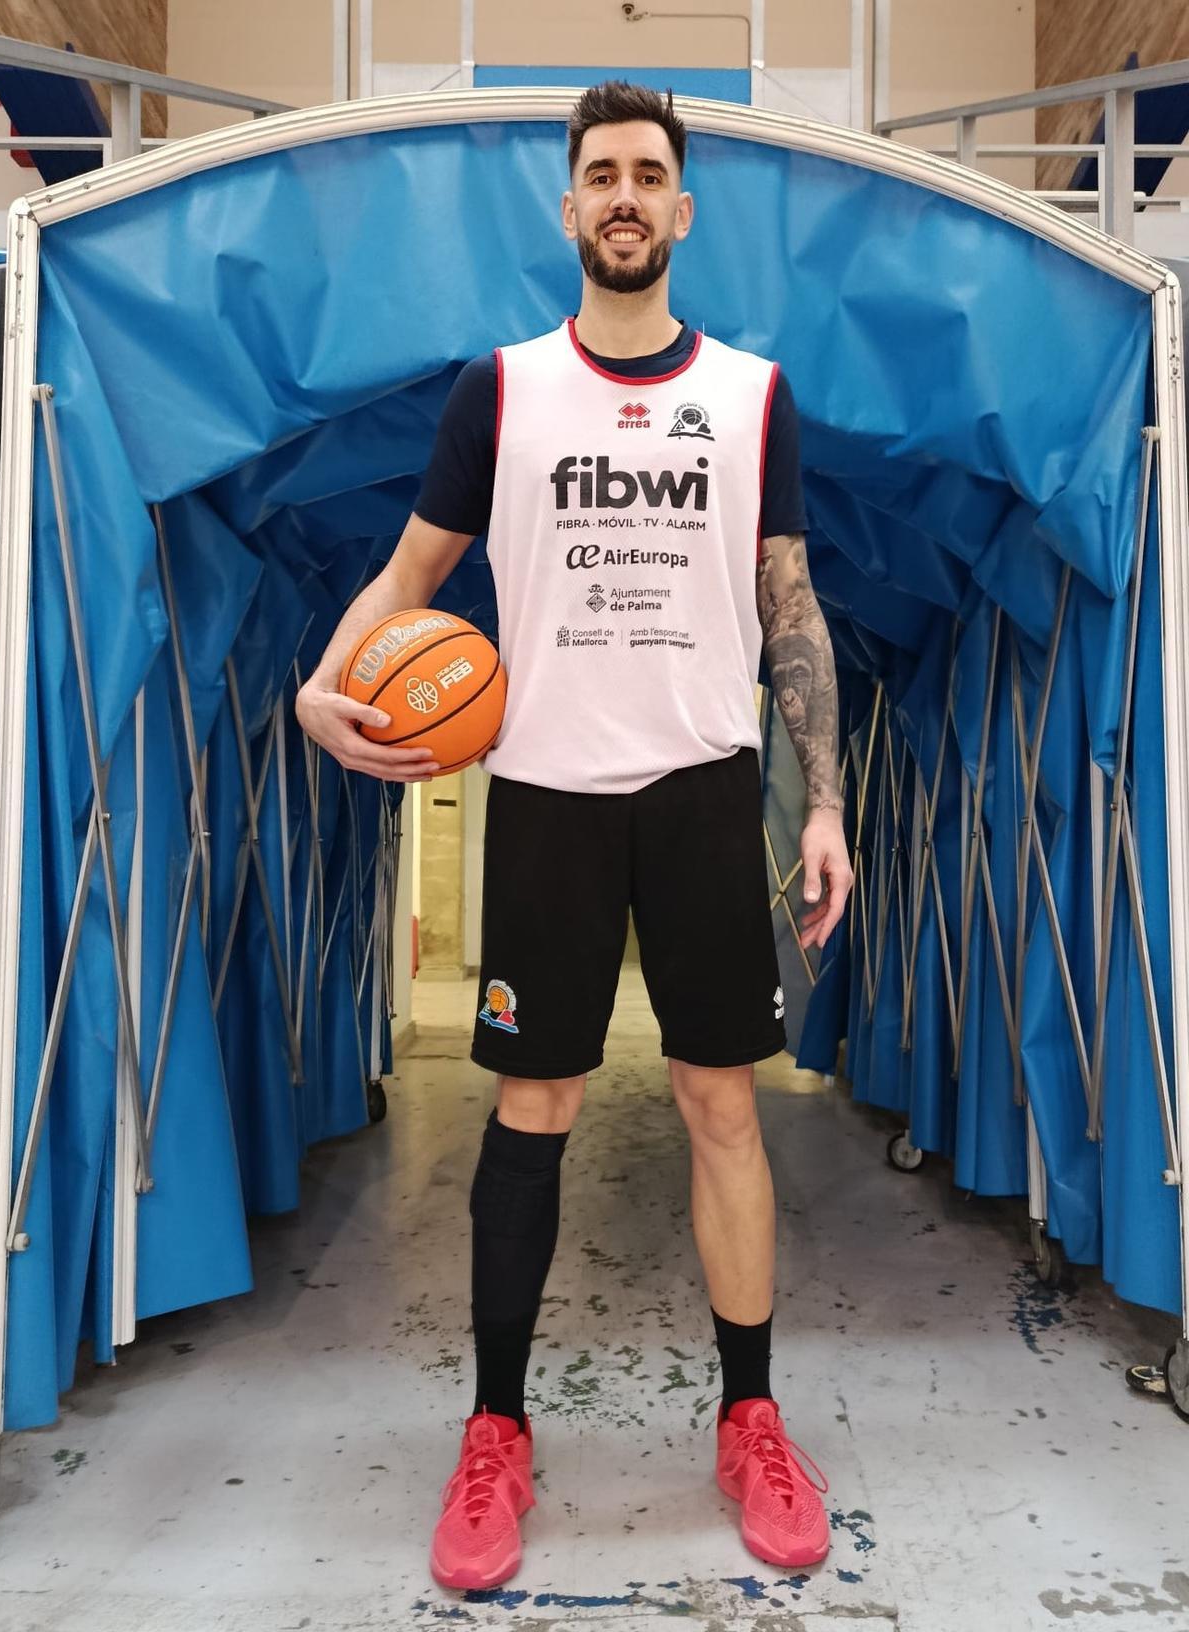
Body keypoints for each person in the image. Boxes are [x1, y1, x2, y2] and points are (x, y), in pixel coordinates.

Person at [295, 79, 853, 1592]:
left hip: (695, 786)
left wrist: (822, 802)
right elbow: (411, 575)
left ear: (680, 211)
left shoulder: (751, 395)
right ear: (570, 210)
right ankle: (495, 1433)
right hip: (538, 791)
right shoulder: (502, 391)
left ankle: (749, 1411)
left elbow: (790, 609)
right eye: (599, 173)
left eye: (647, 175)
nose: (622, 194)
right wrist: (318, 685)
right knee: (530, 1114)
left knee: (721, 1103)